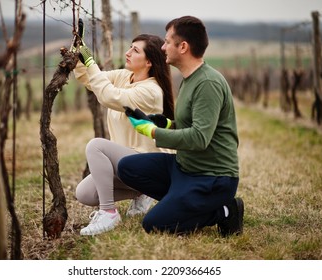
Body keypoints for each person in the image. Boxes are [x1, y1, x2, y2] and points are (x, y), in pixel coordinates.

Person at [117, 16, 244, 236]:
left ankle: (224, 210)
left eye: (167, 42)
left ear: (183, 47)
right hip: (185, 167)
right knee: (127, 168)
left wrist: (154, 132)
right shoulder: (189, 78)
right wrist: (165, 123)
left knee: (154, 225)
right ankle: (181, 201)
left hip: (212, 177)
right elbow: (190, 124)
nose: (163, 47)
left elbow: (199, 138)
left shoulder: (208, 83)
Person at [73, 32, 175, 236]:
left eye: (135, 50)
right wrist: (77, 53)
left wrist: (91, 60)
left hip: (150, 163)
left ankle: (108, 212)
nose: (128, 52)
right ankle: (142, 191)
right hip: (127, 162)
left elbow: (109, 96)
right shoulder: (124, 76)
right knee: (84, 193)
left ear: (149, 62)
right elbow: (92, 79)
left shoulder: (151, 91)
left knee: (96, 145)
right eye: (130, 47)